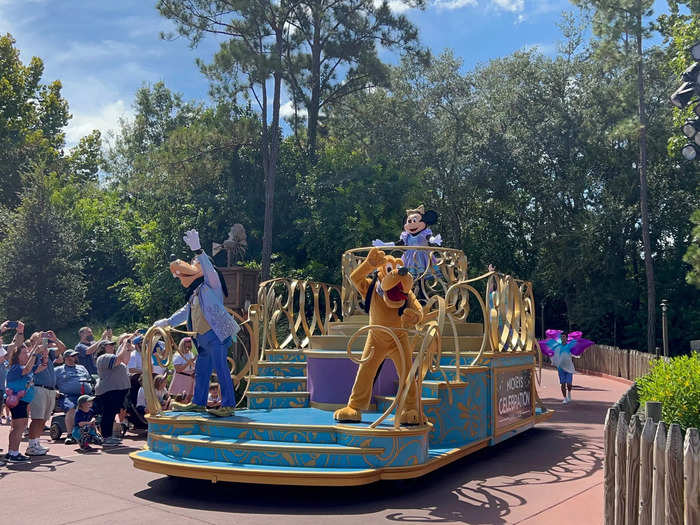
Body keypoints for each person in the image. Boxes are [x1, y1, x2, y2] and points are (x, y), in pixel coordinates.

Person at [154, 229, 240, 417]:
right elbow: (185, 313)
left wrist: (199, 251)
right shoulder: (195, 294)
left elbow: (209, 269)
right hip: (202, 339)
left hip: (216, 335)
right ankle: (198, 402)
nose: (192, 265)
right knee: (202, 371)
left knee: (221, 369)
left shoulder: (213, 286)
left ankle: (228, 405)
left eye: (195, 263)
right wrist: (168, 321)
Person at [5, 339, 46, 462]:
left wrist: (44, 355)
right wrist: (34, 353)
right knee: (19, 427)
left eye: (27, 352)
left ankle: (12, 452)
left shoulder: (24, 367)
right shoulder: (15, 368)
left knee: (18, 426)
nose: (26, 354)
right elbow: (27, 370)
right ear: (17, 356)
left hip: (23, 401)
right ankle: (13, 453)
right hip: (18, 401)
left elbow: (42, 367)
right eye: (23, 353)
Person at [94, 339, 130, 445]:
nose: (112, 347)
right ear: (102, 348)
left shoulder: (112, 357)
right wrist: (123, 345)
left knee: (111, 414)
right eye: (109, 345)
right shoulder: (104, 357)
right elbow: (119, 359)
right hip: (109, 391)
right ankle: (106, 437)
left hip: (115, 390)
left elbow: (125, 360)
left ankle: (108, 436)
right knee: (108, 414)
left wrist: (127, 348)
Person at [55, 349, 93, 444]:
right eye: (72, 356)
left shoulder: (82, 368)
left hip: (85, 395)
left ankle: (95, 433)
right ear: (66, 358)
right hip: (68, 396)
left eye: (75, 355)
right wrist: (55, 391)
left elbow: (89, 379)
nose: (75, 357)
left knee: (99, 406)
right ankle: (70, 435)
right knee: (72, 408)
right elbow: (51, 382)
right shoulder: (58, 370)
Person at [169, 337, 196, 402]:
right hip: (181, 378)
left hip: (191, 378)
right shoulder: (178, 355)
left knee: (189, 397)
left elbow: (194, 366)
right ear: (182, 346)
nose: (187, 349)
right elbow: (178, 369)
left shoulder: (191, 354)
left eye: (189, 347)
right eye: (186, 347)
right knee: (180, 397)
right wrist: (188, 362)